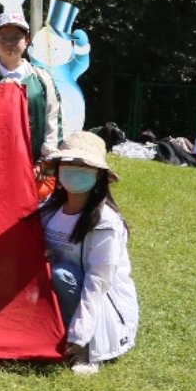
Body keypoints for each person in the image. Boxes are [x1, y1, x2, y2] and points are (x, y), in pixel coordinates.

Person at [40, 131, 139, 375]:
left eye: (84, 165)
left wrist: (81, 334)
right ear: (59, 169)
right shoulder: (48, 210)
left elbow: (98, 282)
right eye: (69, 163)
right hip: (53, 289)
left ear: (99, 175)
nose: (76, 169)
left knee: (62, 275)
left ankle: (84, 350)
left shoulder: (106, 223)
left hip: (96, 303)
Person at [0, 9, 63, 164]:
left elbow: (53, 119)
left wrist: (45, 160)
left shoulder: (42, 78)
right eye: (3, 37)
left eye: (16, 38)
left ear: (26, 40)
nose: (9, 43)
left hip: (34, 164)